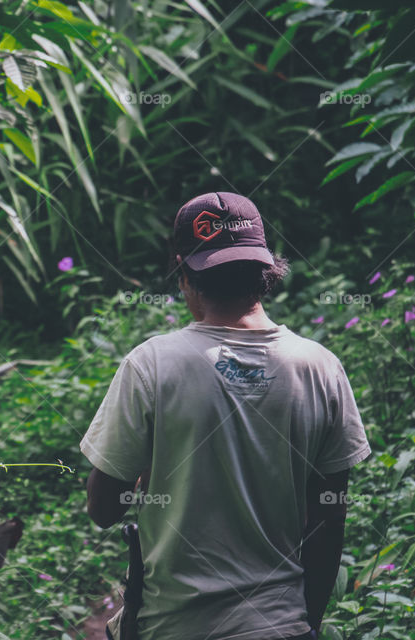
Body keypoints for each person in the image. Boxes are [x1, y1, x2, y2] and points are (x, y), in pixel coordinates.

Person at [81, 192, 371, 639]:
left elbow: (103, 509)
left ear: (183, 271)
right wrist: (304, 624)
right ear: (266, 268)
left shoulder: (152, 365)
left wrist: (144, 475)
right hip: (282, 625)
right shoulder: (320, 367)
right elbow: (329, 519)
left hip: (174, 628)